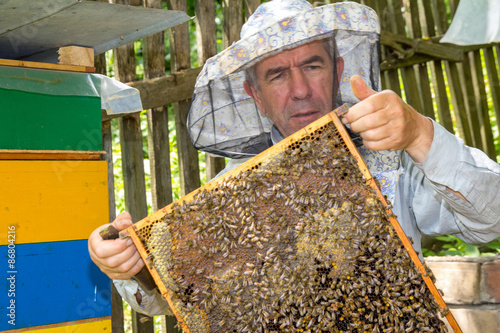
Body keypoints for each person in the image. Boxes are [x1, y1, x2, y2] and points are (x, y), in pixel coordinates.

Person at [88, 0, 500, 317]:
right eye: (278, 74)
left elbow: (491, 217)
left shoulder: (393, 159)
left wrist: (421, 134)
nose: (300, 89)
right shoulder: (229, 193)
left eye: (312, 65)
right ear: (255, 95)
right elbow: (171, 297)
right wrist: (134, 264)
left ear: (338, 71)